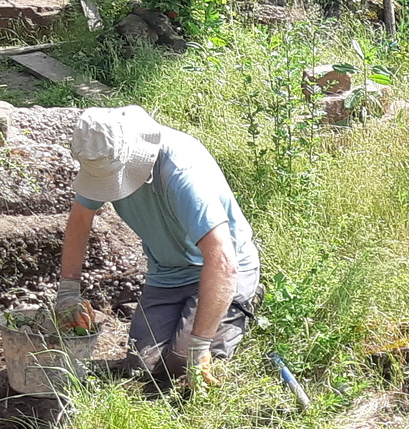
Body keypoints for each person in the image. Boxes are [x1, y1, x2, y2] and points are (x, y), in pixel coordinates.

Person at [54, 105, 262, 393]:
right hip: (167, 273)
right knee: (142, 367)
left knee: (184, 364)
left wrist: (199, 345)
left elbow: (222, 261)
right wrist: (68, 291)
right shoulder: (100, 153)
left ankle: (240, 299)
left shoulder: (182, 172)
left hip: (221, 269)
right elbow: (80, 220)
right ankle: (196, 324)